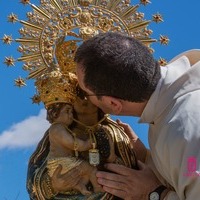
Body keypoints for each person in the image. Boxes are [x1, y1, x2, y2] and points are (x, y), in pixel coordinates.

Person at [74, 31, 200, 199]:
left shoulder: (185, 128)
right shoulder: (174, 106)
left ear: (113, 103)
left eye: (85, 94)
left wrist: (153, 193)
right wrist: (146, 157)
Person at [27, 87, 138, 199]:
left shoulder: (114, 132)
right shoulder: (58, 131)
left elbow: (135, 170)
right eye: (78, 92)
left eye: (90, 91)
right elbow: (35, 176)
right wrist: (52, 185)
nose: (84, 97)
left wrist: (112, 159)